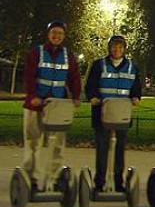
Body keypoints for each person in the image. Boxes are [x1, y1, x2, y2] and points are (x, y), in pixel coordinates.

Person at [22, 21, 82, 191]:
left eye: (60, 34)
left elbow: (74, 77)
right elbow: (29, 76)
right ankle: (30, 178)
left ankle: (55, 178)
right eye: (54, 33)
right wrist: (32, 96)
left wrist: (76, 96)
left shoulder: (67, 55)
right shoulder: (37, 52)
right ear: (48, 34)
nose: (57, 36)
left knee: (57, 144)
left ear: (64, 36)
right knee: (33, 142)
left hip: (57, 105)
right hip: (36, 105)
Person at [84, 35, 142, 193]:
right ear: (109, 48)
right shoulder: (99, 64)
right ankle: (100, 181)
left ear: (124, 49)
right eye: (114, 47)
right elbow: (90, 85)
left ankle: (118, 181)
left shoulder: (132, 67)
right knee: (102, 148)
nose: (117, 50)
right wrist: (93, 97)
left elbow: (136, 86)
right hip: (102, 113)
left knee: (120, 149)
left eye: (120, 47)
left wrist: (136, 97)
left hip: (122, 113)